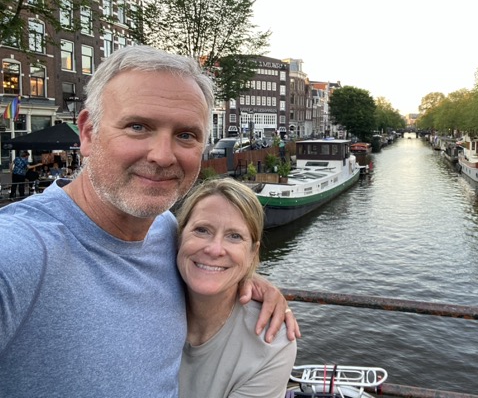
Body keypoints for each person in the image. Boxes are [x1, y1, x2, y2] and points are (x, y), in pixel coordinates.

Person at [0, 46, 299, 397]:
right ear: (89, 133)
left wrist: (246, 279)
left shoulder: (166, 232)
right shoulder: (21, 250)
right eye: (138, 127)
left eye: (185, 135)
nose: (162, 156)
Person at [177, 178, 296, 397]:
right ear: (179, 236)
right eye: (202, 230)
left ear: (253, 253)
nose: (215, 249)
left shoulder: (270, 344)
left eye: (234, 236)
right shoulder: (145, 298)